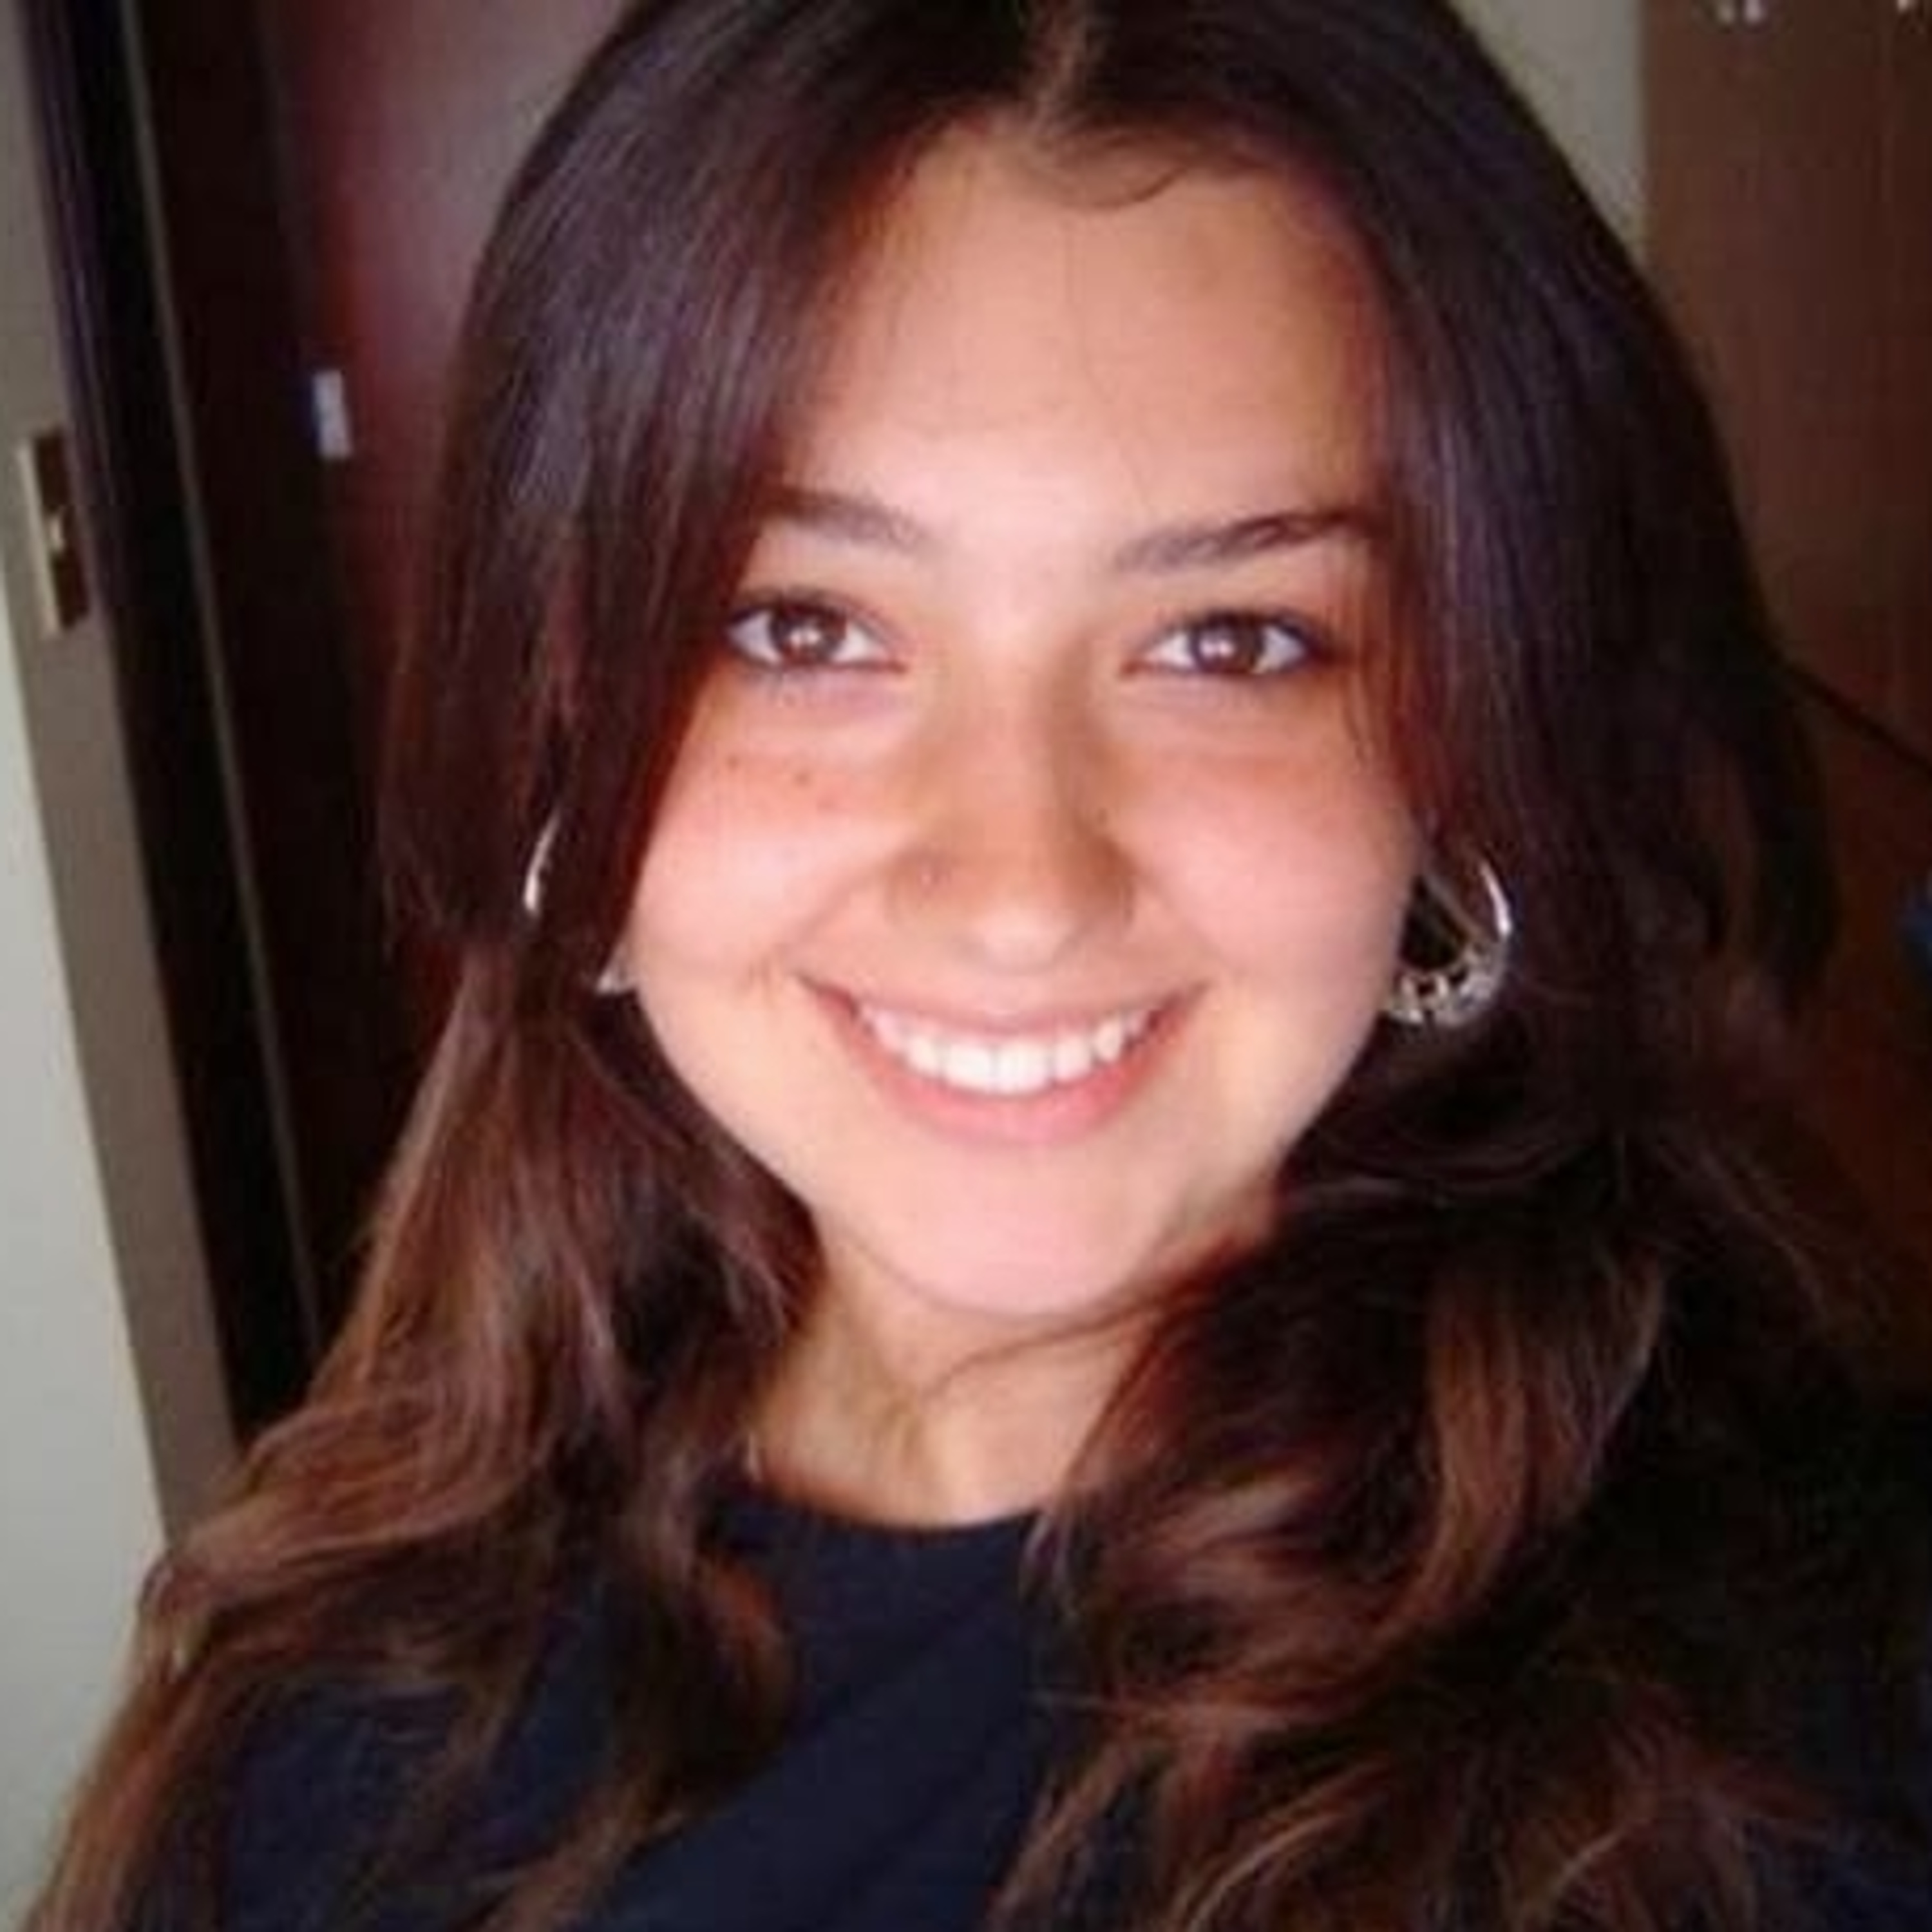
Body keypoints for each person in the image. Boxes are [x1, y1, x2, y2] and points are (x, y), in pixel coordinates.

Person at [30, 3, 1932, 1929]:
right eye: (801, 628)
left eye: (1233, 643)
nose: (1020, 893)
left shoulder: (1790, 1733)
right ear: (562, 718)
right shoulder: (332, 1697)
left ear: (1466, 757)